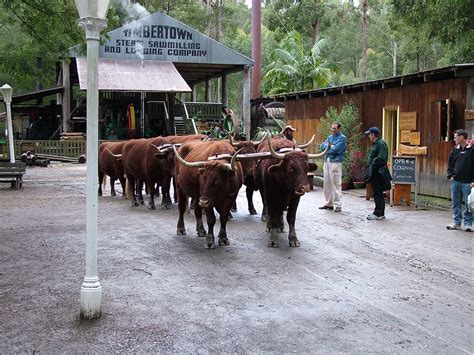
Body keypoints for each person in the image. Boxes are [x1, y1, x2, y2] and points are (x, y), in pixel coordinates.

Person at [446, 129, 474, 231]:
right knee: (456, 203)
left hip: (468, 182)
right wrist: (450, 175)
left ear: (461, 137)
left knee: (468, 204)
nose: (454, 139)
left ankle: (468, 224)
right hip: (456, 181)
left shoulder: (472, 149)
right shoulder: (455, 149)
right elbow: (450, 163)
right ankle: (456, 222)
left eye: (455, 137)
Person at [319, 122, 347, 212]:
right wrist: (329, 147)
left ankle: (337, 205)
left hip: (335, 162)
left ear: (339, 129)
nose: (333, 130)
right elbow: (321, 146)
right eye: (332, 128)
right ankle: (329, 203)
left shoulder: (342, 138)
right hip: (327, 161)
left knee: (336, 184)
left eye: (334, 128)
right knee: (327, 183)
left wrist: (328, 149)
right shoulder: (330, 137)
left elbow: (337, 150)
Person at [364, 127, 392, 220]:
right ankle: (378, 212)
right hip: (375, 171)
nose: (368, 136)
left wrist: (373, 165)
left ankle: (378, 213)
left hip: (378, 172)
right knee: (376, 192)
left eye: (369, 134)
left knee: (378, 192)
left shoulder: (381, 144)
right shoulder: (376, 144)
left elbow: (382, 158)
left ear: (373, 134)